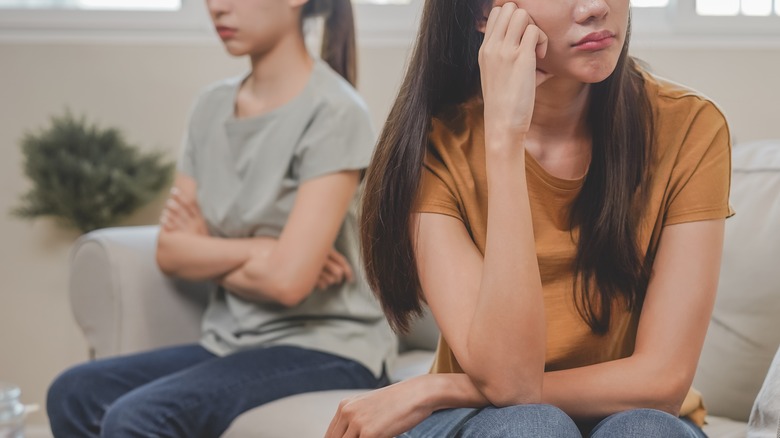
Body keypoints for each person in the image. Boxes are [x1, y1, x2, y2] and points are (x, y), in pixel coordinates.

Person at [326, 0, 733, 437]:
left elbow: (662, 383)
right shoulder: (434, 150)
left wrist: (437, 389)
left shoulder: (691, 128)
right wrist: (504, 136)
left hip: (632, 414)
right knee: (532, 426)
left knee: (647, 431)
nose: (595, 7)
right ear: (484, 13)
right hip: (488, 423)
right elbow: (511, 381)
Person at [46, 0, 396, 436]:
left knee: (136, 416)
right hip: (234, 341)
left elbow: (288, 283)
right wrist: (263, 251)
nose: (217, 7)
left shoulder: (336, 112)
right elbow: (171, 253)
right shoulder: (210, 106)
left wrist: (213, 251)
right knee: (72, 390)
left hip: (328, 346)